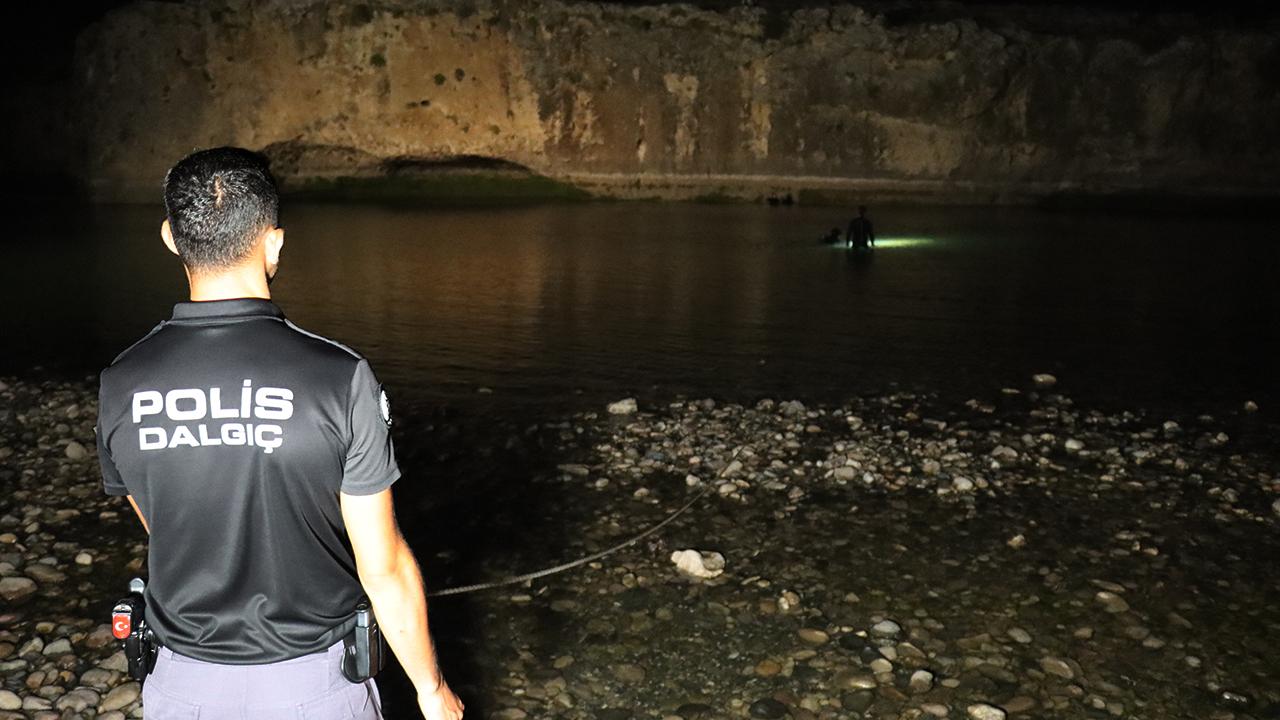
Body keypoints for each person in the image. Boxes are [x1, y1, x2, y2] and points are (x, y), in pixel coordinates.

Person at [94, 147, 464, 720]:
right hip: (314, 689)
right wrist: (431, 689)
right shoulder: (340, 378)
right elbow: (383, 566)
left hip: (182, 689)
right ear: (274, 243)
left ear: (170, 237)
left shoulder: (121, 382)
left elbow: (162, 522)